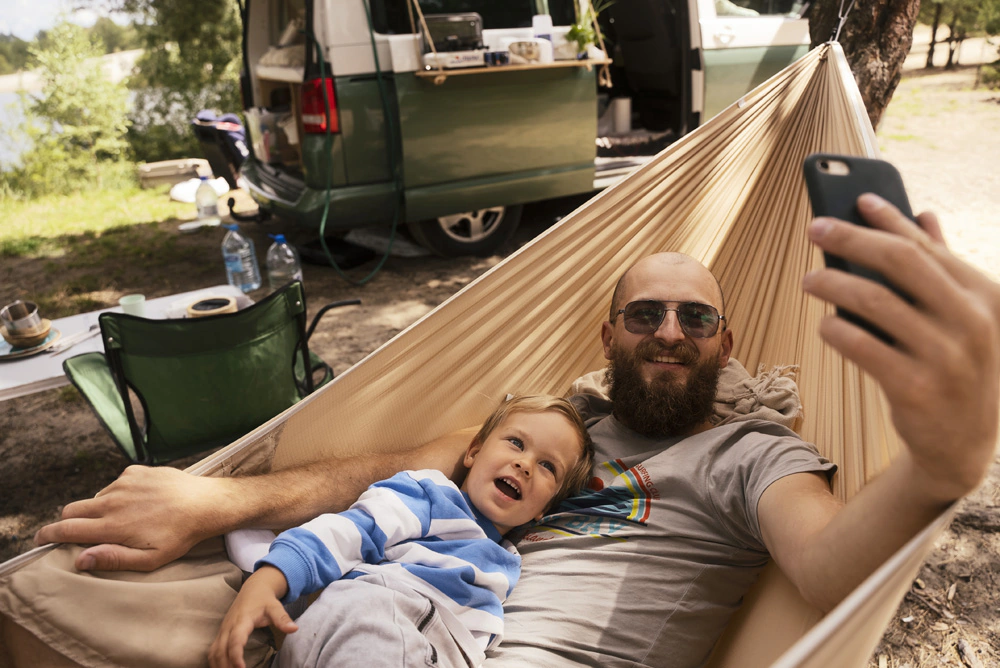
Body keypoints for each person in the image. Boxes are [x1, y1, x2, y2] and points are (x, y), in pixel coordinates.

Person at [2, 195, 998, 667]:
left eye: (695, 318)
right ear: (608, 331)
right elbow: (406, 467)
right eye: (644, 313)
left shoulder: (752, 455)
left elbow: (825, 566)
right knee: (48, 585)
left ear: (725, 344)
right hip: (374, 608)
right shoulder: (560, 422)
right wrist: (220, 496)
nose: (667, 332)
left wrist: (938, 466)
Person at [210, 395, 595, 668]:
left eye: (548, 467)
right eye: (516, 443)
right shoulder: (430, 496)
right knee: (368, 613)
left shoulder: (513, 561)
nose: (525, 464)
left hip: (431, 651)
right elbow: (349, 532)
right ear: (474, 451)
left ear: (546, 507)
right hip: (376, 615)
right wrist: (268, 579)